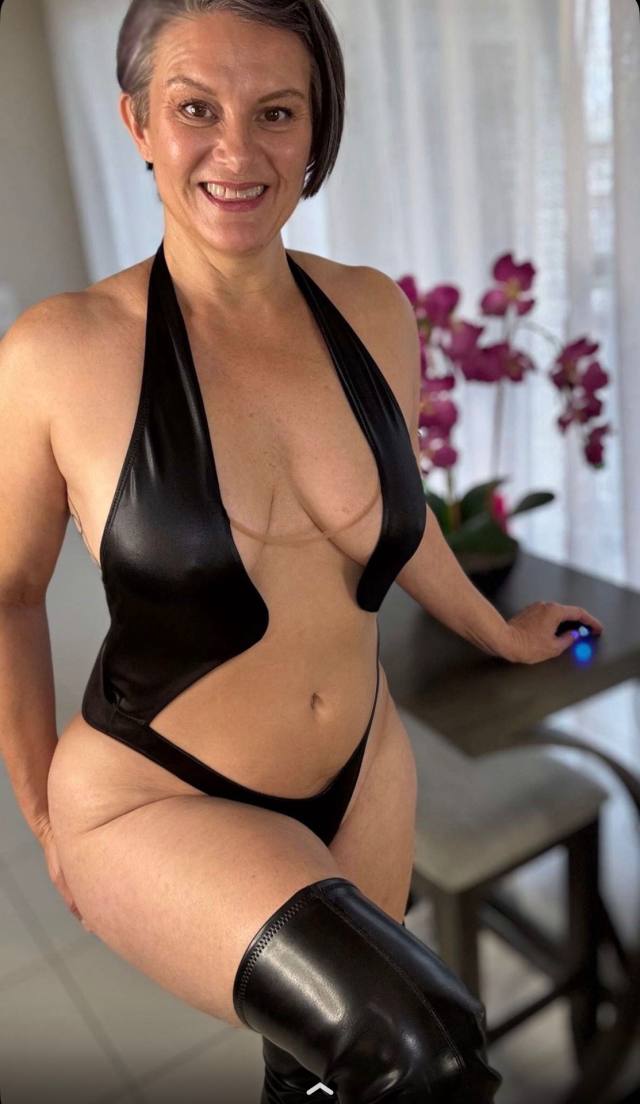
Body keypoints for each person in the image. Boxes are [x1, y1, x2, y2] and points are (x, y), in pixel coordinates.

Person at [0, 1, 603, 1100]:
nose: (237, 151)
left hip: (365, 769)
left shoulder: (374, 311)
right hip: (158, 796)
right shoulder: (59, 352)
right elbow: (8, 594)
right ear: (138, 123)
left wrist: (499, 631)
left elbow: (394, 514)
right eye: (196, 109)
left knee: (314, 1080)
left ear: (316, 128)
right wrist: (45, 819)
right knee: (419, 1050)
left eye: (276, 112)